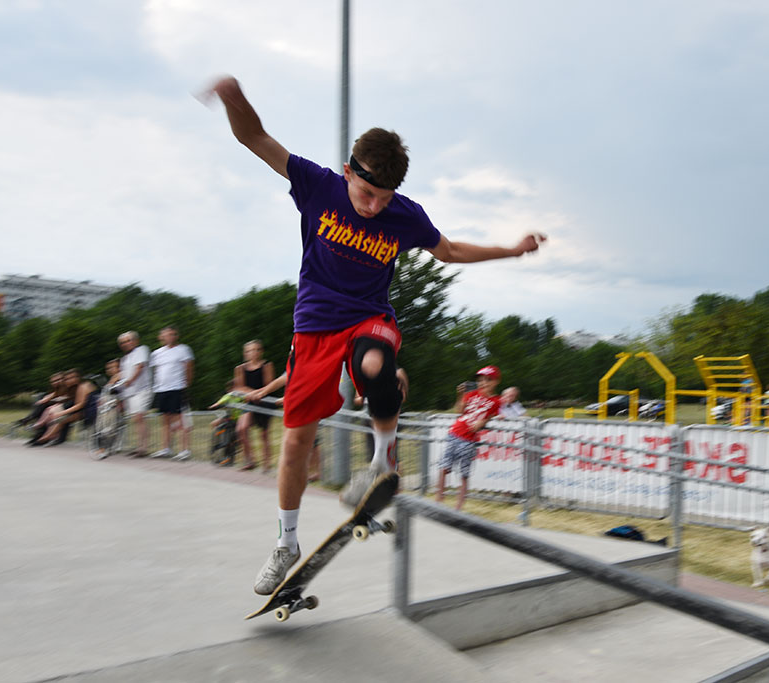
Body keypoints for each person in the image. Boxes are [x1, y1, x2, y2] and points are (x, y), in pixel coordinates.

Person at [200, 75, 546, 595]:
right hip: (314, 326)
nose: (373, 207)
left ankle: (383, 463)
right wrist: (233, 97)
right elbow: (256, 139)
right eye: (365, 194)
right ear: (347, 174)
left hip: (369, 318)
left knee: (374, 364)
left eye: (384, 199)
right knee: (295, 441)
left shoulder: (404, 216)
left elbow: (448, 251)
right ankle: (286, 541)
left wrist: (512, 250)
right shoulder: (317, 185)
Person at [435, 366, 504, 510]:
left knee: (464, 473)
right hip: (455, 432)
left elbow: (493, 415)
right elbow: (459, 411)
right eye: (480, 380)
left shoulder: (496, 401)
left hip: (468, 439)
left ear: (496, 381)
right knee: (444, 467)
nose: (483, 383)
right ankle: (439, 499)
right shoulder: (472, 394)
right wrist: (460, 395)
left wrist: (483, 422)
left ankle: (459, 506)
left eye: (488, 380)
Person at [149, 326, 195, 461]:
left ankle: (185, 450)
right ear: (161, 337)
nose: (170, 337)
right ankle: (166, 448)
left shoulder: (183, 349)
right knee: (165, 419)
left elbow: (189, 368)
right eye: (167, 334)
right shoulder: (156, 353)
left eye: (173, 334)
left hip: (177, 388)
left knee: (181, 419)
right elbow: (156, 371)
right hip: (162, 389)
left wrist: (186, 384)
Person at [235, 340, 276, 472]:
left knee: (264, 434)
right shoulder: (240, 368)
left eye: (256, 350)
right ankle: (249, 459)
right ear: (245, 353)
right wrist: (252, 394)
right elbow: (239, 387)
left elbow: (268, 384)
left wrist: (258, 394)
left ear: (261, 351)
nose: (253, 353)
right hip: (249, 400)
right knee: (241, 428)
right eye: (249, 350)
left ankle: (266, 463)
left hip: (264, 400)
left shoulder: (267, 365)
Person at [31, 369, 99, 446]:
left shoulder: (83, 386)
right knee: (60, 419)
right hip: (84, 411)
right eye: (67, 379)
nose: (69, 380)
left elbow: (80, 404)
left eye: (72, 378)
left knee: (60, 417)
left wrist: (61, 413)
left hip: (91, 411)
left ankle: (45, 438)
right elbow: (56, 395)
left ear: (78, 378)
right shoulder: (74, 388)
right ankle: (45, 438)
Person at [118, 331, 152, 457]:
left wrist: (130, 381)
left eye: (128, 340)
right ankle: (139, 446)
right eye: (123, 342)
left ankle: (144, 448)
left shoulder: (141, 350)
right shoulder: (124, 359)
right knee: (136, 419)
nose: (126, 344)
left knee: (139, 417)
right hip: (129, 393)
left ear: (136, 341)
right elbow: (122, 375)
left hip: (141, 390)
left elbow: (140, 367)